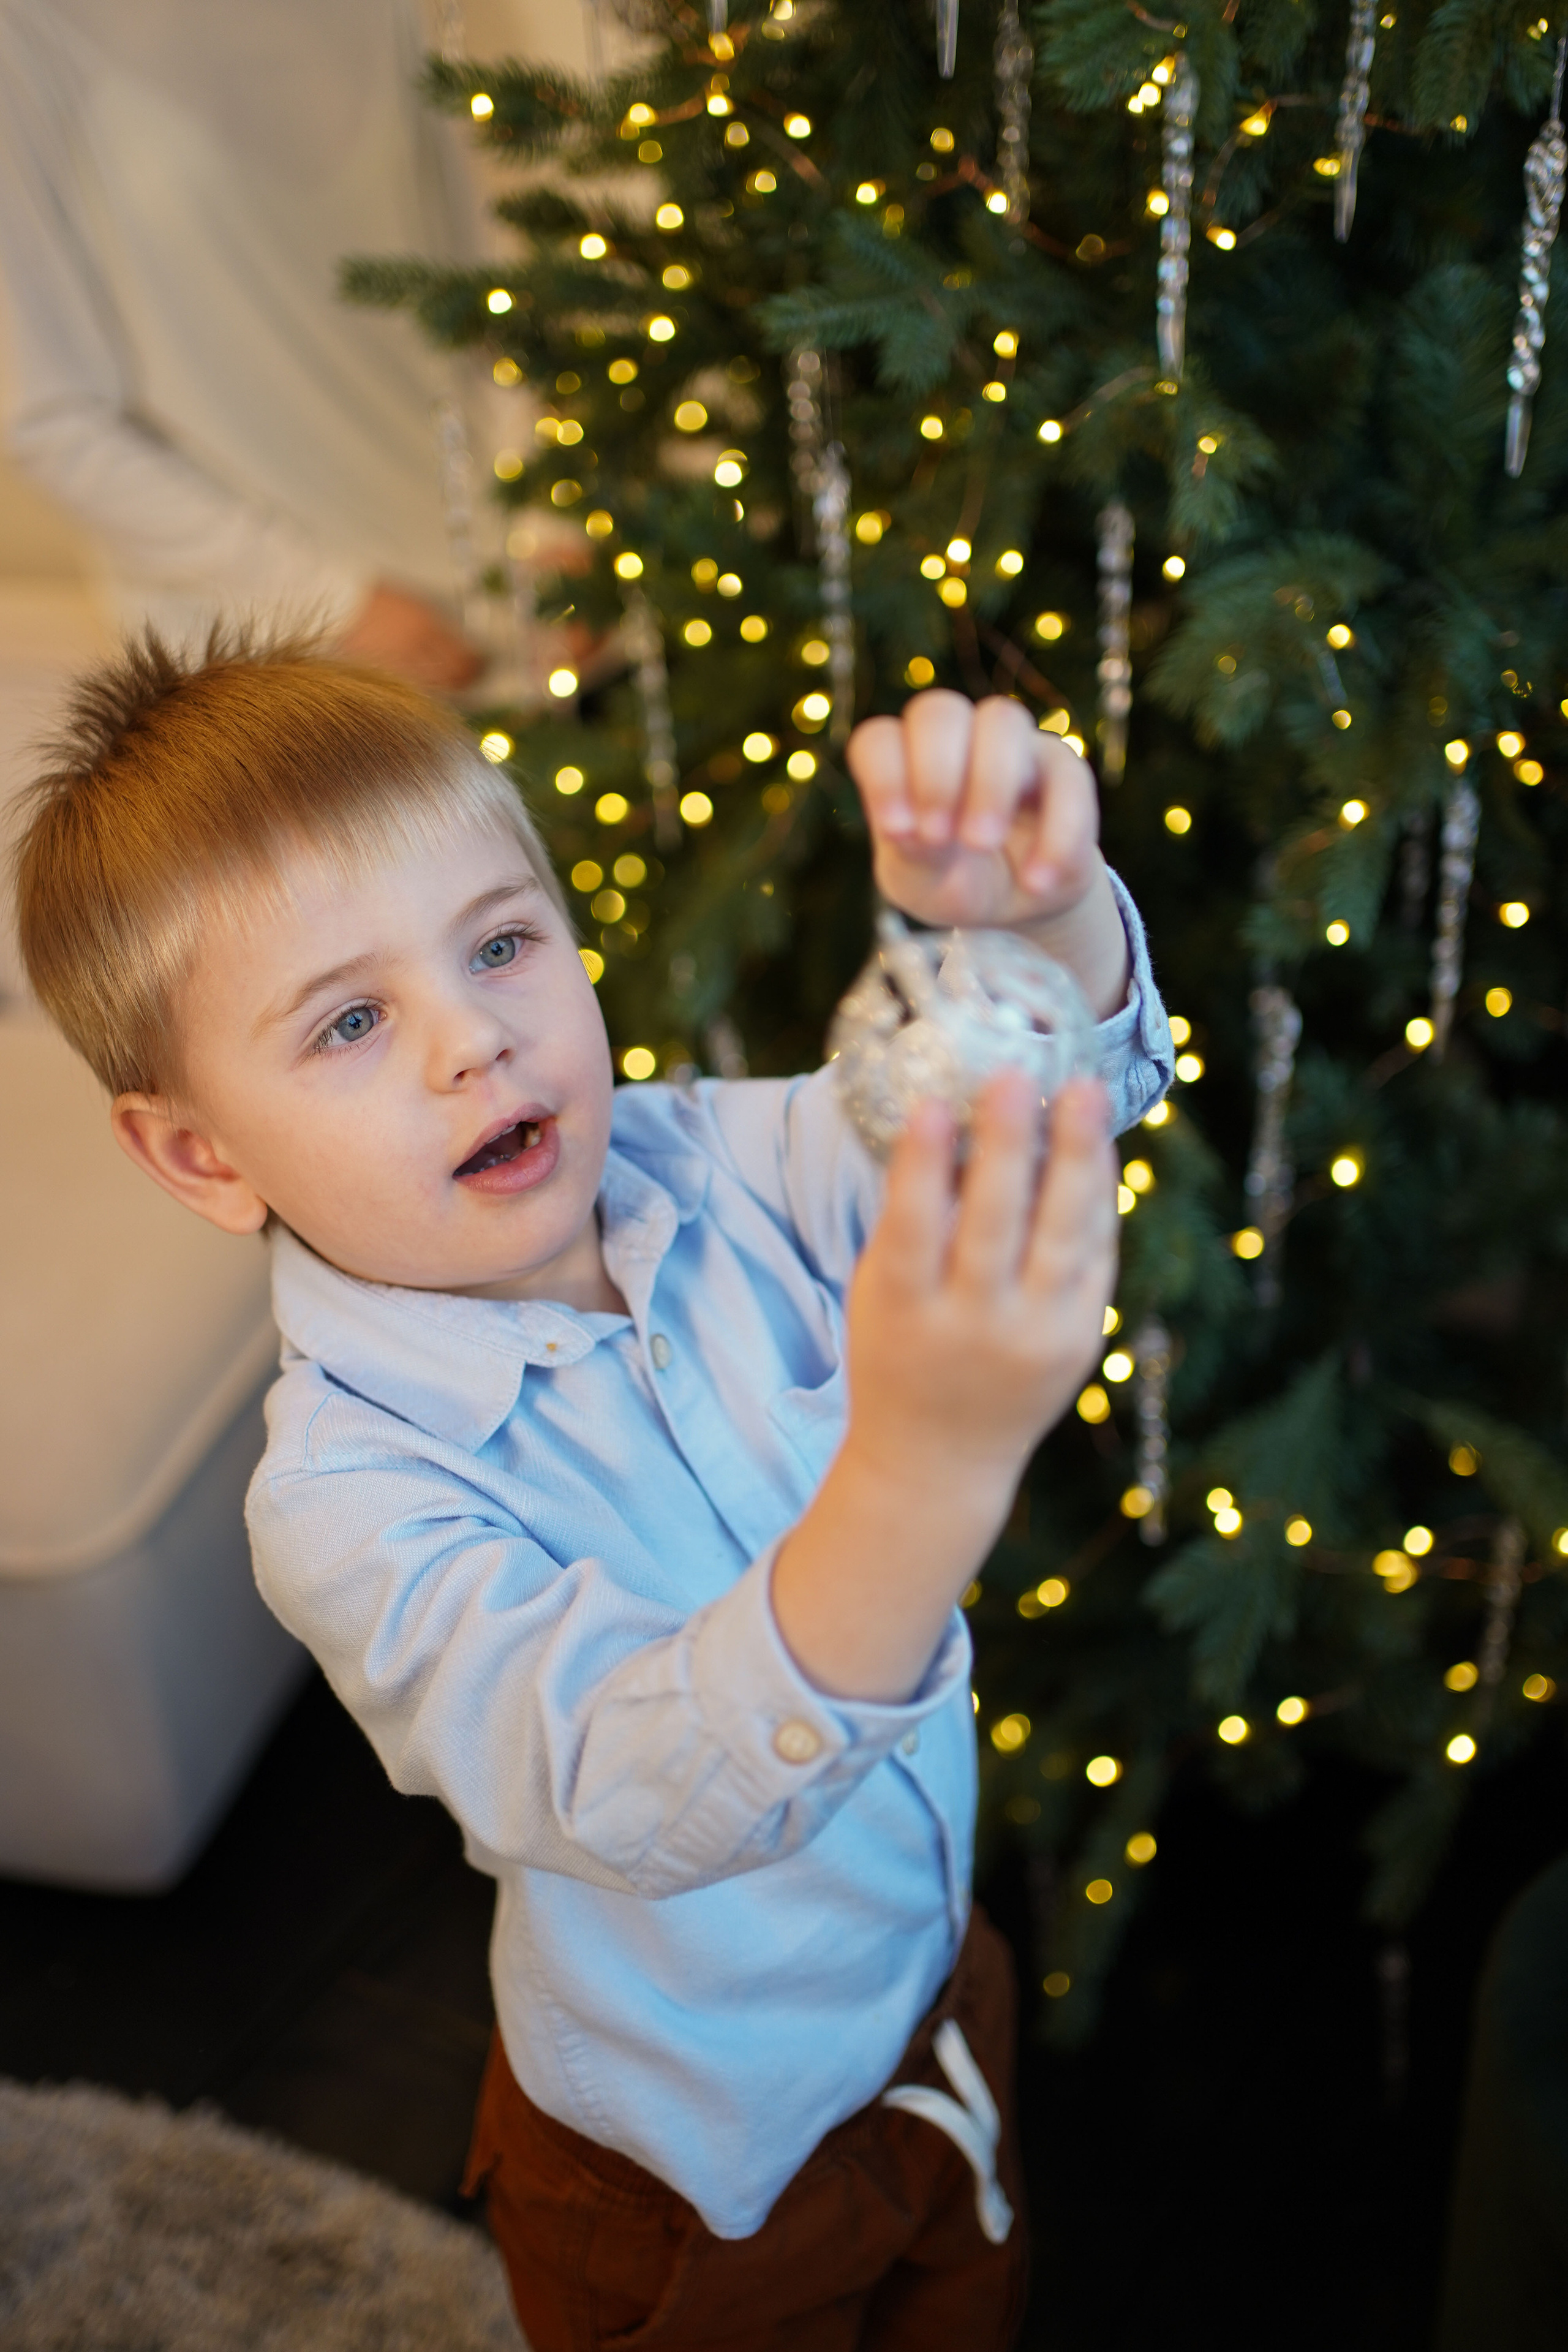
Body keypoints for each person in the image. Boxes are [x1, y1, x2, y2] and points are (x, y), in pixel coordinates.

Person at [12, 638, 1173, 2351]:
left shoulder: (717, 1155)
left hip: (929, 1991)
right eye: (350, 1021)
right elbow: (636, 1786)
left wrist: (1036, 924)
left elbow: (1049, 1094)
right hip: (681, 2185)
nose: (476, 1040)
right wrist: (920, 1476)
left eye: (500, 944)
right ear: (204, 1154)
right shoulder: (350, 1501)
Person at [0, 0, 484, 687]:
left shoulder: (390, 15)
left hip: (510, 606)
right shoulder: (24, 34)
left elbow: (490, 281)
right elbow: (50, 419)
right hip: (267, 661)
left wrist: (544, 528)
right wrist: (330, 600)